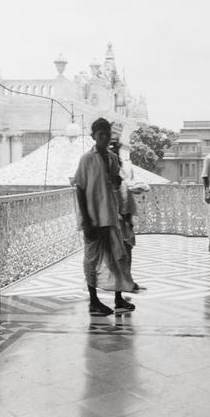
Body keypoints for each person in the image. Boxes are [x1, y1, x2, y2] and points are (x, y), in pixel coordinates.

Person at [74, 118, 136, 315]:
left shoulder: (112, 158)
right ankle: (93, 301)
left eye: (107, 135)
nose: (104, 138)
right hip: (93, 218)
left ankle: (118, 299)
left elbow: (116, 186)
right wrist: (85, 220)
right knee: (91, 260)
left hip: (110, 216)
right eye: (100, 135)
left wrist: (116, 179)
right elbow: (80, 189)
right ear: (93, 136)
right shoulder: (86, 159)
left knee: (118, 258)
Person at [109, 131, 148, 292]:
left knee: (127, 249)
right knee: (118, 253)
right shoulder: (106, 166)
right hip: (114, 217)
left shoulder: (122, 166)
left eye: (116, 145)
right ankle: (121, 285)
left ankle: (128, 282)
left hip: (125, 216)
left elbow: (125, 186)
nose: (114, 149)